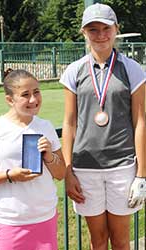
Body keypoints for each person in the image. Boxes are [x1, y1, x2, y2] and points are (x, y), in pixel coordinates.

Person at [60, 3, 146, 250]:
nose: (100, 35)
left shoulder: (132, 69)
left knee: (120, 241)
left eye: (106, 28)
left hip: (122, 166)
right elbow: (69, 123)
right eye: (93, 29)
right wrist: (68, 172)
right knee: (97, 241)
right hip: (85, 169)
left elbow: (140, 120)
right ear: (83, 33)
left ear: (116, 29)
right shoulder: (74, 71)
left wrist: (141, 175)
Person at [0, 69, 66, 250]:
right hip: (9, 221)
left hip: (45, 217)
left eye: (36, 92)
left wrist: (49, 156)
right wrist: (10, 175)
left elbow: (60, 173)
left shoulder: (46, 126)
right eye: (25, 95)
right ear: (9, 100)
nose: (33, 99)